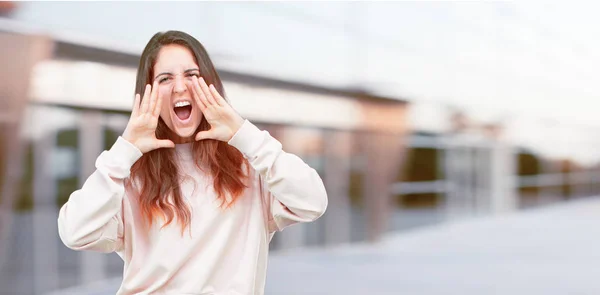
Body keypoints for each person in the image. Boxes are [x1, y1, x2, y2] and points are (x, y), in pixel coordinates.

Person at [57, 30, 328, 295]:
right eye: (165, 79)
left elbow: (312, 202)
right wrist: (124, 150)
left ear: (210, 85)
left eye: (192, 75)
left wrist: (244, 135)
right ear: (148, 93)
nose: (179, 87)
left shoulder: (251, 166)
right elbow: (76, 233)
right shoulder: (128, 176)